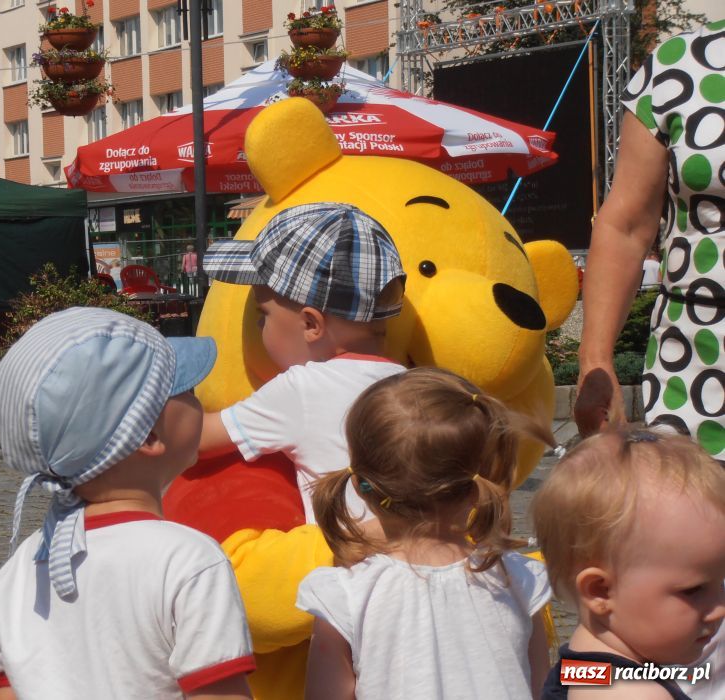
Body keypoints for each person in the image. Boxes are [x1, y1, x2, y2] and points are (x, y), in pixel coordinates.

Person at [0, 308, 255, 699]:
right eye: (187, 392)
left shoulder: (22, 565)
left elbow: (5, 686)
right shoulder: (189, 561)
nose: (200, 401)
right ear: (150, 435)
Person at [297, 367, 554, 700]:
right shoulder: (519, 579)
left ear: (361, 486)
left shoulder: (346, 594)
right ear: (478, 486)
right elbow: (539, 688)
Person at [198, 203, 407, 522]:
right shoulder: (409, 382)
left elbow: (195, 439)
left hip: (342, 564)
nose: (257, 328)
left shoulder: (302, 389)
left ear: (311, 325)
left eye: (262, 315)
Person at [574, 21, 725, 458]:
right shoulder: (680, 65)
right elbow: (626, 226)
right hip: (699, 364)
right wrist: (596, 360)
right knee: (694, 521)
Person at [533, 428, 725, 699]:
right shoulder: (632, 694)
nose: (720, 609)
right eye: (693, 590)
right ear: (600, 591)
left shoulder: (589, 664)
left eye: (722, 583)